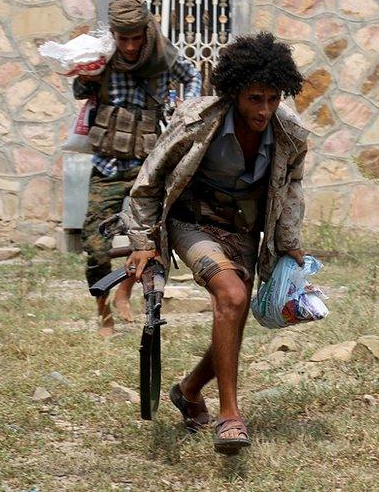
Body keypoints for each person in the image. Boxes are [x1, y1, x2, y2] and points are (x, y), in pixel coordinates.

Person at [124, 32, 307, 455]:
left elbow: (292, 186)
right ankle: (230, 415)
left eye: (273, 99)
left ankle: (188, 391)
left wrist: (289, 241)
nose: (264, 110)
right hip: (194, 224)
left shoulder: (290, 133)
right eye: (254, 99)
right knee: (231, 293)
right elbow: (150, 180)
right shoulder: (196, 121)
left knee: (234, 310)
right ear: (235, 92)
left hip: (244, 231)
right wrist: (143, 240)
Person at [73, 0, 202, 337]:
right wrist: (85, 75)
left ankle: (125, 291)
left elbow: (191, 75)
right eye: (122, 38)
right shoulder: (103, 55)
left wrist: (184, 108)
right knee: (96, 246)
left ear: (146, 31)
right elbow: (78, 87)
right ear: (114, 33)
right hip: (107, 165)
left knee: (151, 239)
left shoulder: (162, 55)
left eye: (135, 38)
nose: (129, 46)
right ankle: (102, 311)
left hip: (148, 164)